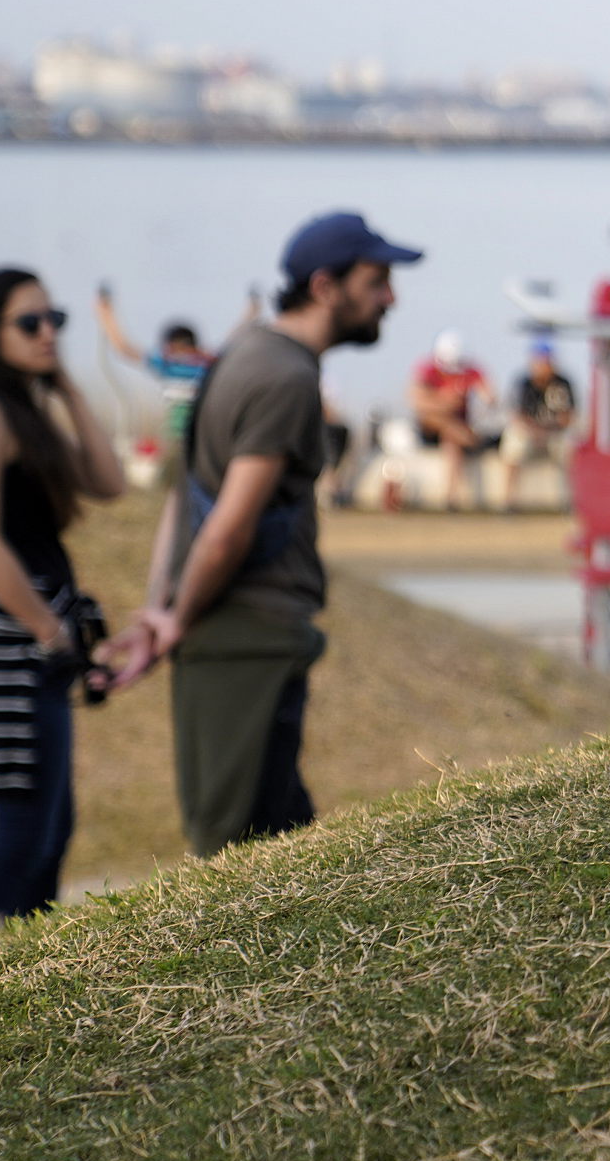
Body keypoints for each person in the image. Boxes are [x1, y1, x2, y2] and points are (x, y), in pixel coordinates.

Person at [107, 212, 419, 857]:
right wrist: (173, 617)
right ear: (326, 286)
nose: (391, 296)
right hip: (247, 638)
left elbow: (184, 496)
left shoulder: (241, 352)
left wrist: (162, 607)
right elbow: (226, 528)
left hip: (228, 633)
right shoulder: (286, 378)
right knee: (236, 850)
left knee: (279, 844)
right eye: (377, 280)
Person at [0, 269, 131, 953]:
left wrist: (68, 386)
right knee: (19, 838)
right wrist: (49, 631)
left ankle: (30, 973)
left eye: (56, 319)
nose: (49, 333)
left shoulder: (25, 412)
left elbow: (108, 481)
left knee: (49, 832)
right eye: (30, 323)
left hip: (37, 643)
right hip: (8, 643)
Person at [94, 288, 216, 480]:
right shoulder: (208, 363)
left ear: (170, 346)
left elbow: (123, 347)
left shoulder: (169, 363)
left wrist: (105, 314)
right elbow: (235, 342)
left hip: (179, 438)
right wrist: (251, 313)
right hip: (206, 438)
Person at [409, 331, 489, 510]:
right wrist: (446, 401)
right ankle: (469, 439)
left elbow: (490, 396)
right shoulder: (427, 369)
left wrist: (483, 399)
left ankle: (450, 498)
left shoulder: (471, 371)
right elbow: (417, 402)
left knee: (451, 438)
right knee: (442, 421)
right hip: (431, 427)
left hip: (457, 429)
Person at [496, 335, 578, 511]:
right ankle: (508, 501)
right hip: (531, 434)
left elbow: (569, 417)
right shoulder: (524, 383)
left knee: (570, 446)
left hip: (554, 434)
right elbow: (518, 416)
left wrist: (547, 430)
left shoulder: (562, 383)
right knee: (514, 441)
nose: (544, 365)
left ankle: (571, 502)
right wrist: (538, 431)